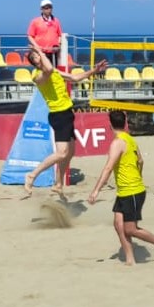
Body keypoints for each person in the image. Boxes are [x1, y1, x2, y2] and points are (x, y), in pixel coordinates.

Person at [22, 37, 107, 196]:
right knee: (61, 153)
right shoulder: (38, 75)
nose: (39, 57)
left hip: (68, 113)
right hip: (58, 115)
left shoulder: (54, 71)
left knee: (70, 152)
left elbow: (74, 78)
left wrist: (94, 71)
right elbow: (47, 69)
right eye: (35, 57)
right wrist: (39, 49)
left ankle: (58, 183)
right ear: (35, 62)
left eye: (38, 55)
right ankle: (32, 175)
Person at [87, 110, 154, 265]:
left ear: (109, 125)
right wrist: (138, 175)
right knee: (118, 225)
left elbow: (108, 168)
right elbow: (141, 161)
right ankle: (130, 259)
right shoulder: (131, 139)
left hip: (132, 191)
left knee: (130, 229)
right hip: (126, 191)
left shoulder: (117, 143)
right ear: (124, 123)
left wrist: (96, 191)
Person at [27, 0, 63, 67]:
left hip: (53, 51)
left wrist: (58, 44)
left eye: (50, 7)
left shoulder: (56, 21)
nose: (48, 9)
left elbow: (59, 35)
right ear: (42, 9)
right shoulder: (35, 21)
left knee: (53, 71)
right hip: (41, 52)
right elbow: (30, 35)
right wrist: (36, 46)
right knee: (43, 70)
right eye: (46, 8)